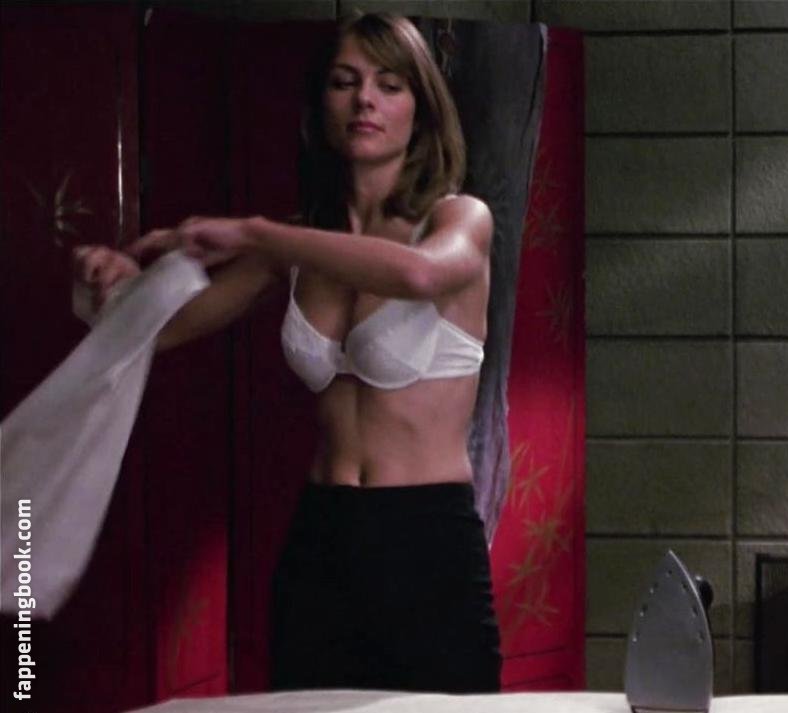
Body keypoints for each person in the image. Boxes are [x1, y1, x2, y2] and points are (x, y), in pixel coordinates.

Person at [70, 12, 501, 693]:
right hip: (321, 539)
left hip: (427, 541)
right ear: (321, 105)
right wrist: (110, 288)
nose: (365, 100)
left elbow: (420, 275)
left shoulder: (459, 218)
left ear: (420, 110)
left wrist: (257, 232)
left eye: (389, 85)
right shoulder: (297, 243)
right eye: (344, 81)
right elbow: (163, 330)